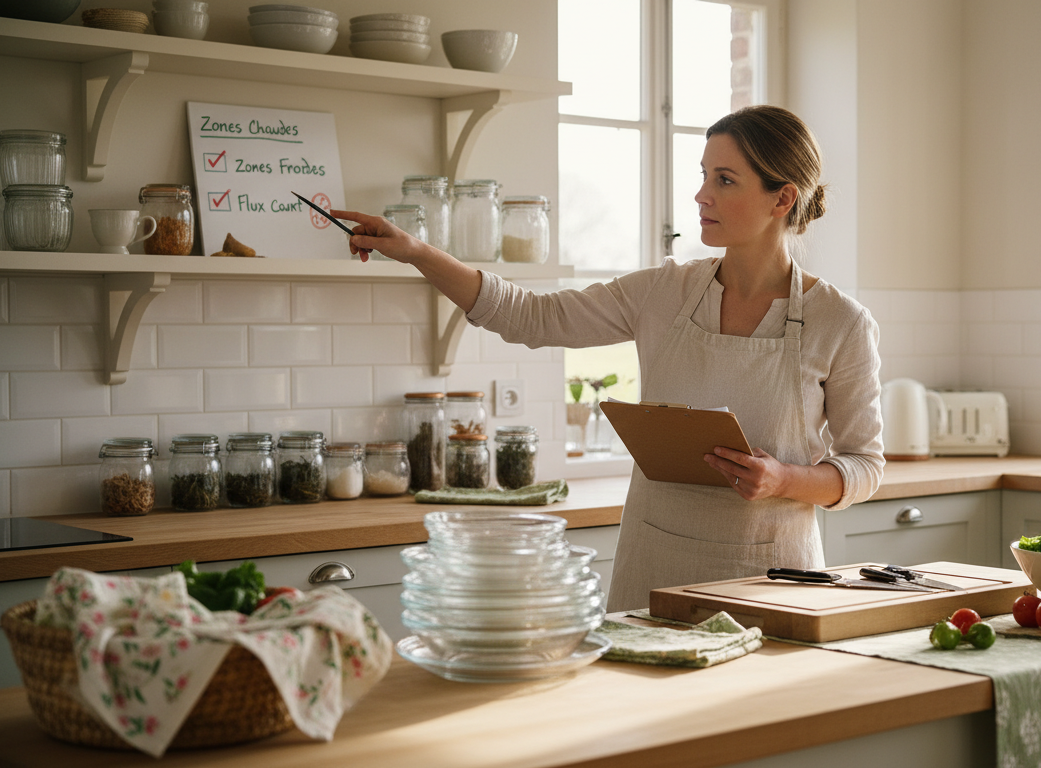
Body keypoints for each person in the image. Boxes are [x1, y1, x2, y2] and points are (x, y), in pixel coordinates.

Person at [332, 105, 884, 612]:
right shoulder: (662, 292)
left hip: (771, 577)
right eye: (703, 174)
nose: (701, 195)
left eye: (725, 180)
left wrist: (784, 478)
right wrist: (417, 252)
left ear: (781, 199)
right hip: (654, 566)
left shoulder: (841, 322)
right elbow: (532, 316)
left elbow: (864, 466)